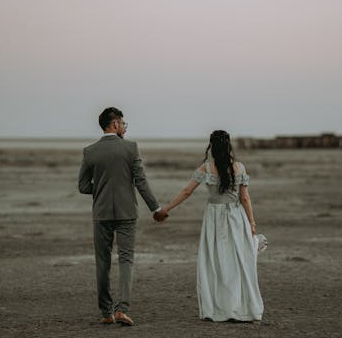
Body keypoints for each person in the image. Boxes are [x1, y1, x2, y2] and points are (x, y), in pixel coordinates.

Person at [161, 130, 263, 322]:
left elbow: (186, 191)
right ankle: (237, 307)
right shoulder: (239, 167)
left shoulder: (206, 168)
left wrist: (167, 209)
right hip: (236, 216)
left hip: (214, 218)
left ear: (212, 147)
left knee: (216, 261)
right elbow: (245, 198)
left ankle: (219, 307)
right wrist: (251, 222)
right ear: (228, 145)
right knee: (237, 261)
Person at [78, 107, 167, 326]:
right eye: (123, 124)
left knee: (103, 262)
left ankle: (106, 312)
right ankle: (122, 309)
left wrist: (101, 190)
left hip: (101, 213)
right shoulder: (130, 148)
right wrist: (155, 209)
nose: (125, 127)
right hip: (127, 212)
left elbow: (82, 186)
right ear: (115, 124)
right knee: (126, 259)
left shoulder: (90, 151)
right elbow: (141, 181)